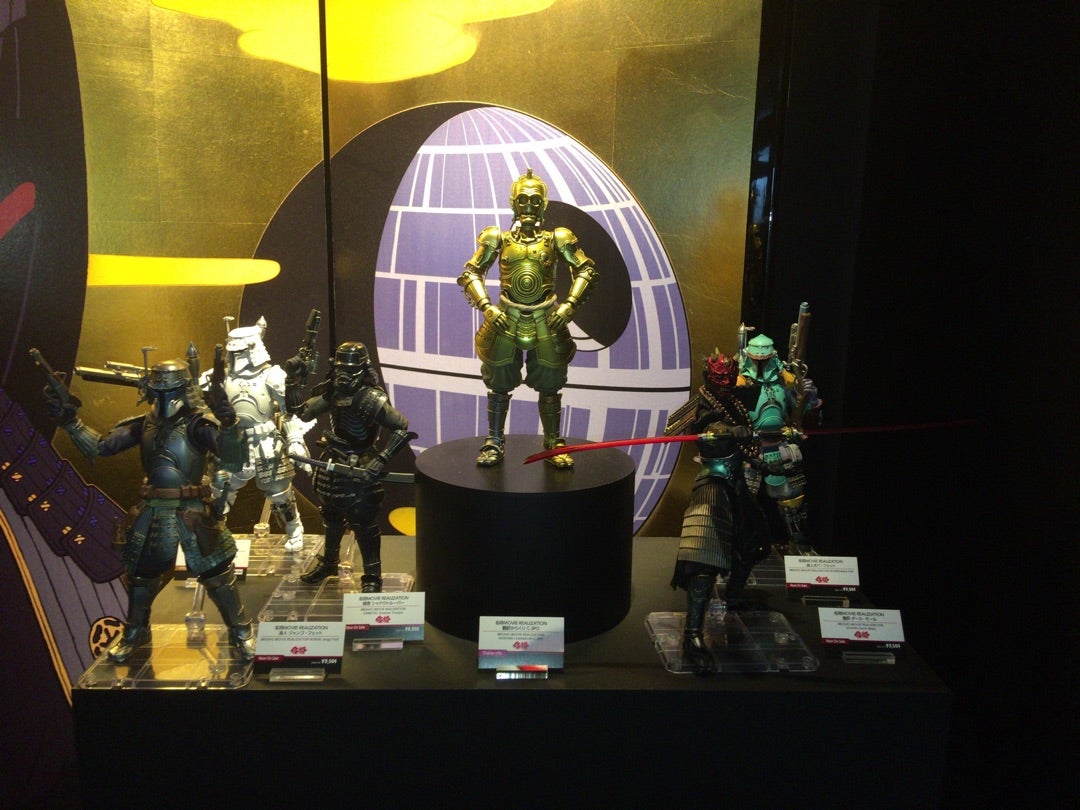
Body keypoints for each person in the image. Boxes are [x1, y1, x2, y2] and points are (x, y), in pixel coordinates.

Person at [45, 357, 255, 663]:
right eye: (157, 391)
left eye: (167, 391)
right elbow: (101, 447)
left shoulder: (198, 423)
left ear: (184, 389)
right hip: (153, 508)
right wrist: (70, 422)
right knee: (142, 577)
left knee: (217, 574)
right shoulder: (143, 424)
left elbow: (233, 458)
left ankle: (240, 631)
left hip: (192, 508)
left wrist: (230, 425)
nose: (162, 398)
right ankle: (135, 632)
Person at [666, 342, 820, 673]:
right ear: (709, 377)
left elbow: (749, 444)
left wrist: (766, 461)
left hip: (737, 480)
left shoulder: (736, 401)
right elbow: (701, 427)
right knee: (704, 557)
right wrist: (720, 431)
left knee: (756, 541)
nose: (724, 385)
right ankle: (692, 635)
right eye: (719, 380)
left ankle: (734, 595)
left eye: (728, 379)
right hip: (713, 482)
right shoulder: (702, 404)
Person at [457, 168, 598, 468]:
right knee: (499, 383)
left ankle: (553, 441)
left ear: (543, 204)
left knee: (550, 384)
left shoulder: (557, 238)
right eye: (523, 200)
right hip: (504, 317)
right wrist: (487, 306)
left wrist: (569, 305)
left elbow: (586, 269)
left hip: (547, 318)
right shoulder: (497, 238)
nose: (529, 206)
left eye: (535, 200)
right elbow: (471, 272)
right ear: (514, 203)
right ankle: (494, 440)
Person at [294, 342, 413, 593]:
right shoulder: (333, 393)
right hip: (332, 463)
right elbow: (303, 413)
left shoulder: (371, 399)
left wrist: (382, 458)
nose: (344, 375)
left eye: (350, 369)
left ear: (362, 369)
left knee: (363, 524)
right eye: (340, 368)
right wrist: (291, 384)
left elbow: (401, 427)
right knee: (331, 516)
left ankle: (372, 576)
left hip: (360, 465)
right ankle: (329, 562)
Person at [200, 316, 314, 552]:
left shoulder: (272, 375)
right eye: (233, 351)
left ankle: (294, 530)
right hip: (231, 440)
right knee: (221, 492)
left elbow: (291, 412)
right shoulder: (218, 376)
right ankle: (215, 534)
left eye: (240, 351)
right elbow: (201, 406)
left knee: (280, 493)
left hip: (265, 441)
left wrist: (295, 440)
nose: (236, 356)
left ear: (254, 348)